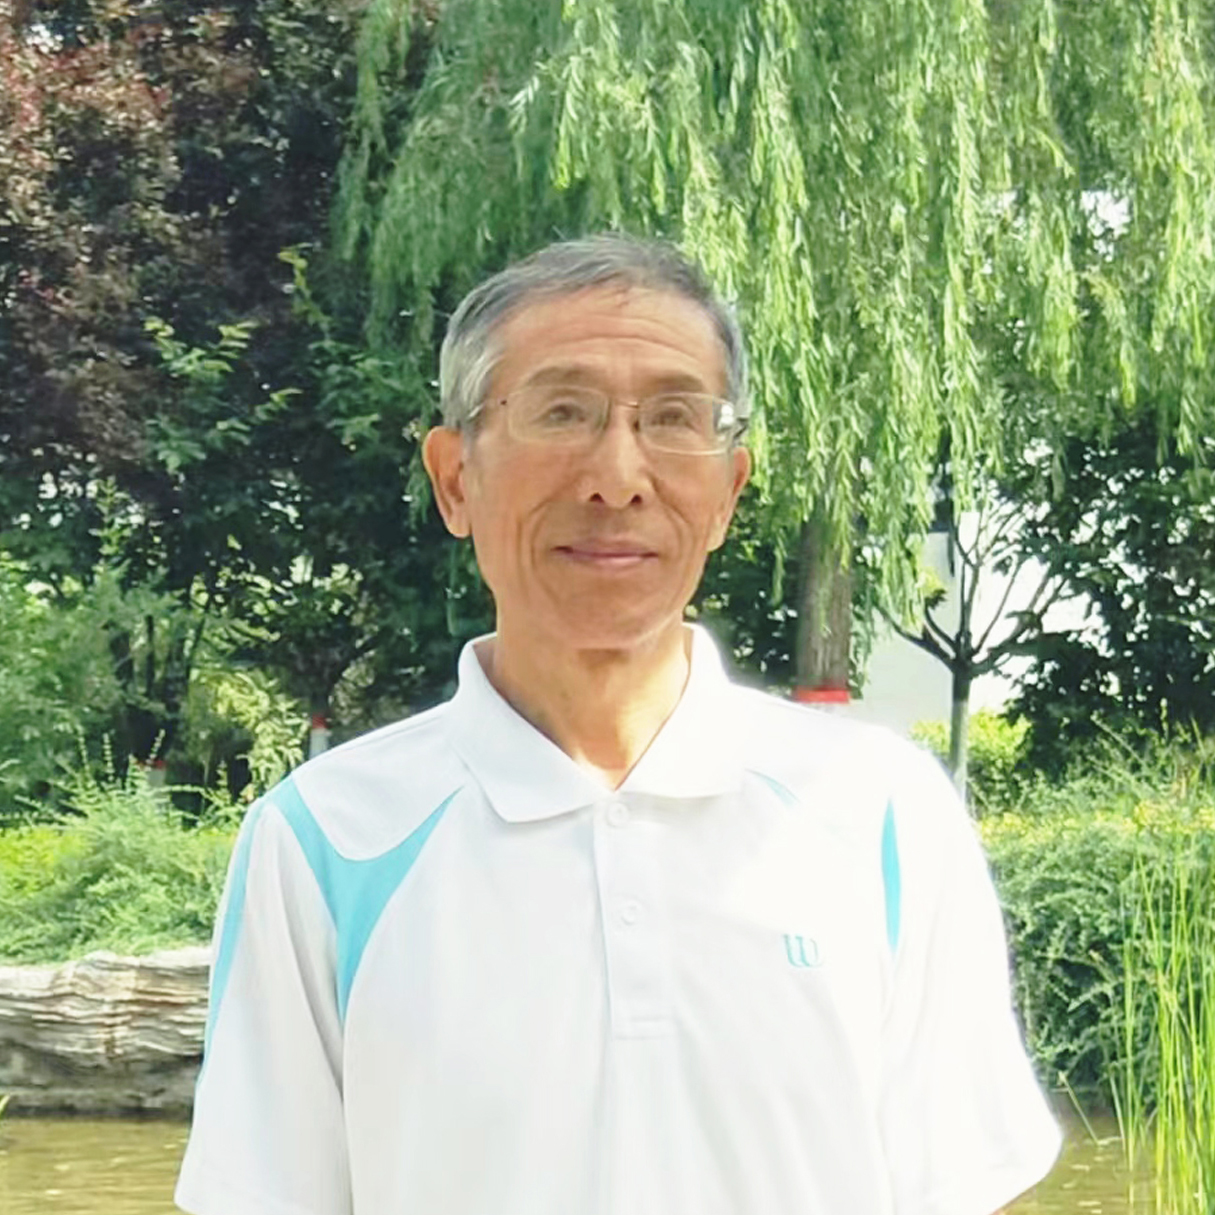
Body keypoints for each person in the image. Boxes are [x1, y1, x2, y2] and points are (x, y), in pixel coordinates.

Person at [176, 234, 1061, 1215]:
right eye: (562, 411)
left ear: (727, 492)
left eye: (675, 418)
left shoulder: (881, 815)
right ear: (455, 478)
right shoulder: (326, 843)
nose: (618, 476)